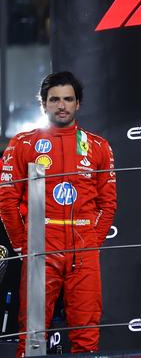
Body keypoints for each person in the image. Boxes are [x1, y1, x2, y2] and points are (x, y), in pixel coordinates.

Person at [0, 71, 117, 356]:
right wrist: (22, 243)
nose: (61, 105)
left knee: (87, 333)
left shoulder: (99, 146)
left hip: (83, 244)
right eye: (54, 100)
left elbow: (108, 203)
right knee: (32, 332)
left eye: (68, 99)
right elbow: (7, 199)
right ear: (44, 104)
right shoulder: (23, 143)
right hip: (41, 243)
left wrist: (91, 242)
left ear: (78, 104)